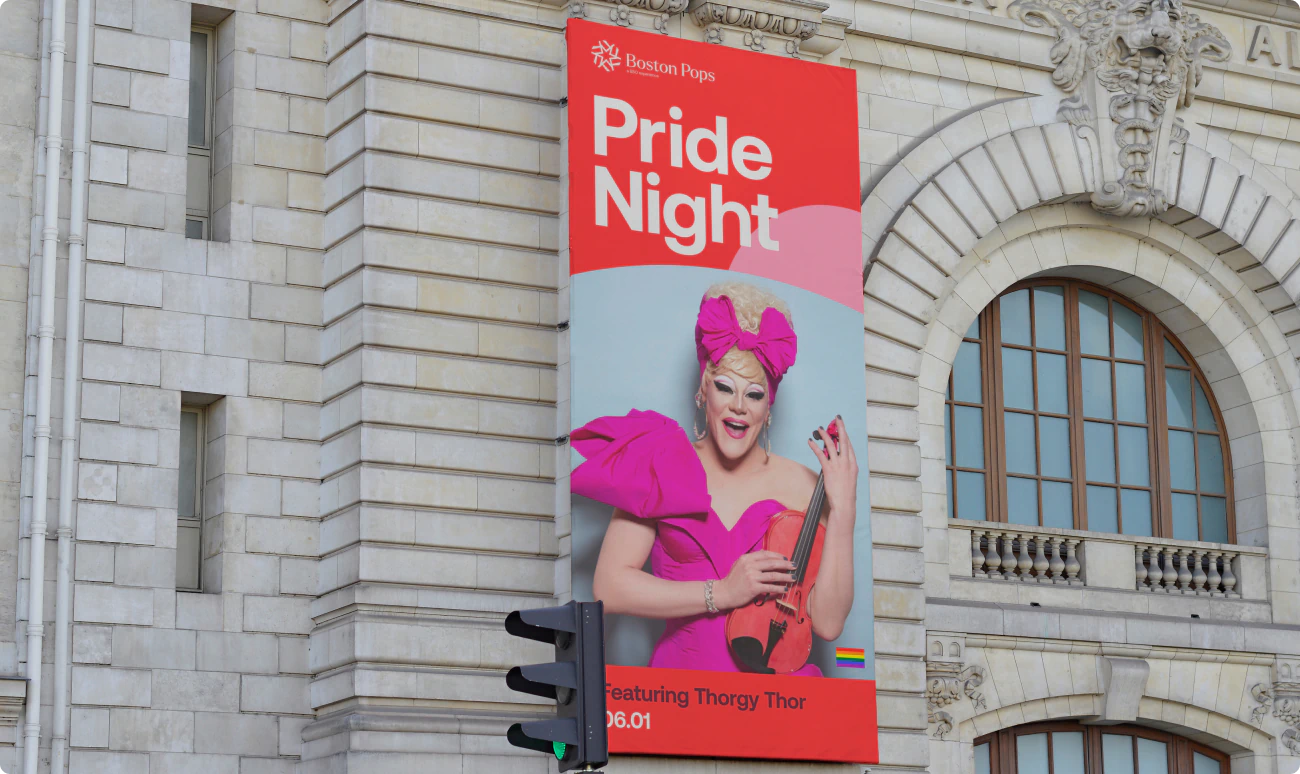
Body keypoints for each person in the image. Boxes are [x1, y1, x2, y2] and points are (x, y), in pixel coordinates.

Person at [572, 281, 858, 676]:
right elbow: (609, 587)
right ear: (703, 388)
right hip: (680, 698)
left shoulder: (806, 486)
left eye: (754, 394)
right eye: (725, 387)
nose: (738, 407)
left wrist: (843, 510)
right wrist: (722, 592)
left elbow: (827, 623)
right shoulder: (661, 462)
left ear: (768, 405)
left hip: (778, 707)